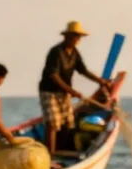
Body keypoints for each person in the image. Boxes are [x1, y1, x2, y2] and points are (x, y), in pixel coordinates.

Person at [39, 21, 111, 155]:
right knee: (53, 123)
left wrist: (100, 81)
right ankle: (50, 154)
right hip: (49, 91)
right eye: (75, 36)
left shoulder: (75, 53)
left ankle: (61, 150)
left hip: (64, 91)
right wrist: (71, 91)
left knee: (68, 122)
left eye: (78, 37)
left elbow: (83, 70)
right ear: (67, 36)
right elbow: (54, 76)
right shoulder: (56, 52)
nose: (77, 39)